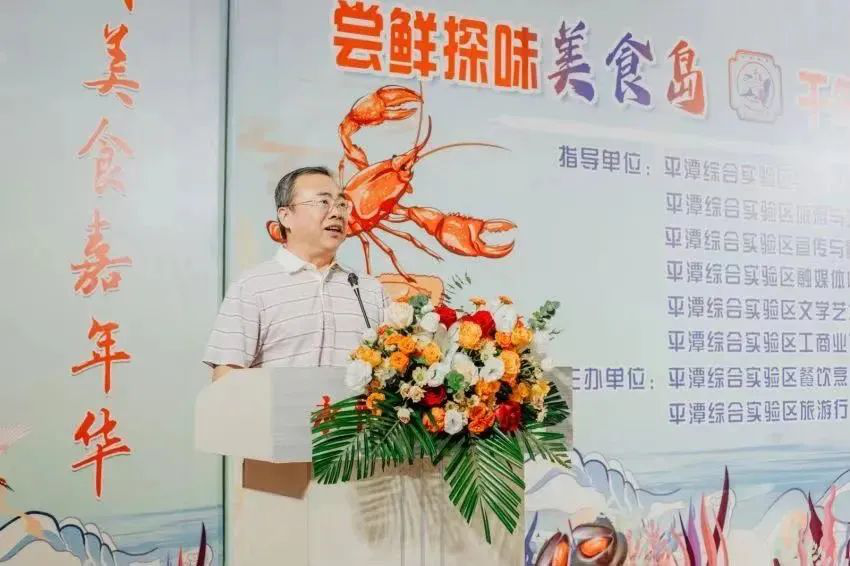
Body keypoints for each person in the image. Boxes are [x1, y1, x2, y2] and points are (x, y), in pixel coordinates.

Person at [203, 166, 389, 380]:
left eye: (341, 204)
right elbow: (226, 376)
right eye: (323, 202)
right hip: (278, 403)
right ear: (286, 216)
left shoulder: (369, 289)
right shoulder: (252, 286)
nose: (337, 213)